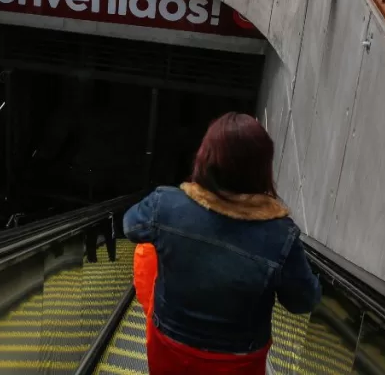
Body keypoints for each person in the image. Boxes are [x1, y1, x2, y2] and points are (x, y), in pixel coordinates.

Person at [124, 112, 320, 375]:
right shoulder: (281, 236)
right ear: (262, 168)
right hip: (237, 361)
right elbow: (303, 302)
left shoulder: (166, 205)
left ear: (205, 158)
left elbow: (130, 227)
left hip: (171, 346)